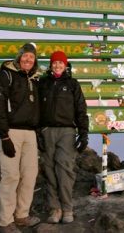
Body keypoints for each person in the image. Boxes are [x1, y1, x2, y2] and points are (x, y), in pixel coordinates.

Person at [0, 43, 41, 233]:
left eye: (31, 57)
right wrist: (4, 136)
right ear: (19, 58)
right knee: (11, 177)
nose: (28, 59)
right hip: (11, 132)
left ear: (35, 61)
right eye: (25, 56)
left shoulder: (35, 79)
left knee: (29, 176)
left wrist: (39, 133)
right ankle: (5, 221)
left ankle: (21, 215)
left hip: (31, 133)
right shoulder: (6, 76)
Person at [38, 50, 89, 224]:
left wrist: (83, 134)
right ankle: (55, 209)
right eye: (54, 63)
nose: (57, 65)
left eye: (61, 63)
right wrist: (38, 132)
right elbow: (36, 109)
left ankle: (67, 208)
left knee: (65, 170)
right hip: (47, 131)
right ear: (50, 65)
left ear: (65, 65)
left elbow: (81, 110)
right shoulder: (43, 83)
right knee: (49, 170)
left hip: (67, 131)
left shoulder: (73, 84)